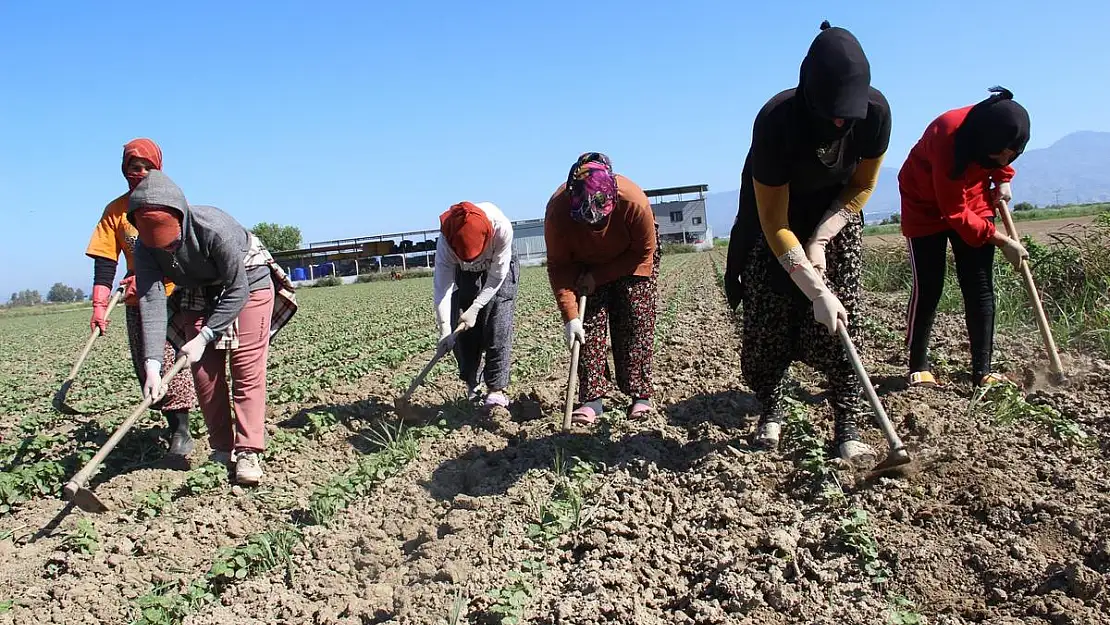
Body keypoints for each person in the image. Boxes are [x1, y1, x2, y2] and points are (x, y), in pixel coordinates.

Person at [722, 21, 891, 466]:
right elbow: (774, 220)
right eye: (833, 113)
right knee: (767, 324)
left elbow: (861, 186)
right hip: (775, 218)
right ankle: (772, 409)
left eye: (847, 115)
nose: (840, 122)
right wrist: (814, 288)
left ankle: (848, 427)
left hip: (834, 217)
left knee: (841, 321)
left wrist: (821, 239)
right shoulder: (777, 122)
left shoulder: (875, 116)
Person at [129, 170, 297, 486]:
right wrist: (152, 366)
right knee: (204, 374)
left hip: (247, 281)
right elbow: (151, 301)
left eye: (171, 242)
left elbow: (238, 289)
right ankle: (222, 449)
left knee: (246, 368)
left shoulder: (214, 230)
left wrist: (206, 335)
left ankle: (248, 451)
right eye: (158, 246)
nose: (166, 250)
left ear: (182, 217)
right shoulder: (144, 247)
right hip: (197, 288)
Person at [898, 87, 1031, 388]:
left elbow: (1002, 159)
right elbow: (954, 211)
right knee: (930, 285)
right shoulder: (947, 133)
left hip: (972, 197)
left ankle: (982, 371)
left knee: (979, 283)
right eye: (996, 153)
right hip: (925, 202)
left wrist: (1004, 180)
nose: (1001, 157)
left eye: (1009, 154)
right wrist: (1004, 241)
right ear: (983, 140)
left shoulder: (999, 130)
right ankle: (918, 364)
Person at [85, 138, 198, 462]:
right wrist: (99, 304)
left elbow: (184, 252)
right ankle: (173, 423)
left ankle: (181, 431)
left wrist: (156, 278)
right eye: (134, 167)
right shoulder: (116, 211)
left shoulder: (170, 202)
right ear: (124, 170)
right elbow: (105, 262)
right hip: (137, 300)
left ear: (157, 168)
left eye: (146, 167)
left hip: (176, 294)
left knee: (169, 359)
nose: (139, 173)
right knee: (145, 366)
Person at [545, 152, 660, 425]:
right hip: (583, 264)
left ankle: (639, 395)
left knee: (635, 320)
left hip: (631, 260)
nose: (594, 226)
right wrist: (571, 317)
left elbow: (644, 253)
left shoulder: (634, 202)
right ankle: (592, 401)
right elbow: (559, 267)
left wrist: (600, 275)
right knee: (589, 328)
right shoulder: (558, 212)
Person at [433, 201, 519, 409]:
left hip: (499, 271)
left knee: (498, 326)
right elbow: (442, 287)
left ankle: (496, 390)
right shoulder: (446, 240)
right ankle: (473, 385)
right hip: (465, 276)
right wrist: (445, 330)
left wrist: (476, 307)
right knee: (463, 332)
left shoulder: (501, 228)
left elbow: (498, 275)